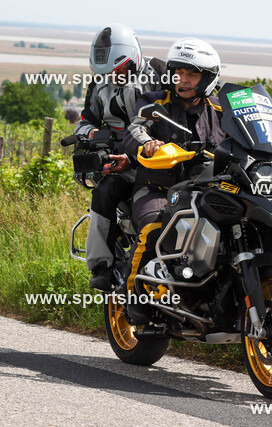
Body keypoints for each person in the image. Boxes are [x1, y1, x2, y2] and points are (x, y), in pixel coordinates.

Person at [121, 38, 226, 323]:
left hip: (206, 190)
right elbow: (134, 130)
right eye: (178, 72)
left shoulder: (220, 109)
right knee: (156, 225)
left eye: (192, 74)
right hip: (159, 188)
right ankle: (133, 295)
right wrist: (149, 143)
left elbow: (245, 136)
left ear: (208, 78)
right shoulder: (156, 101)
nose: (184, 80)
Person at [74, 24, 166, 290]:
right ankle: (100, 266)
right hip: (121, 163)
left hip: (159, 159)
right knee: (104, 191)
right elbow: (83, 122)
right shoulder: (100, 84)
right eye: (106, 73)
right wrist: (93, 134)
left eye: (118, 71)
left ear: (133, 60)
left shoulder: (161, 74)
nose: (113, 77)